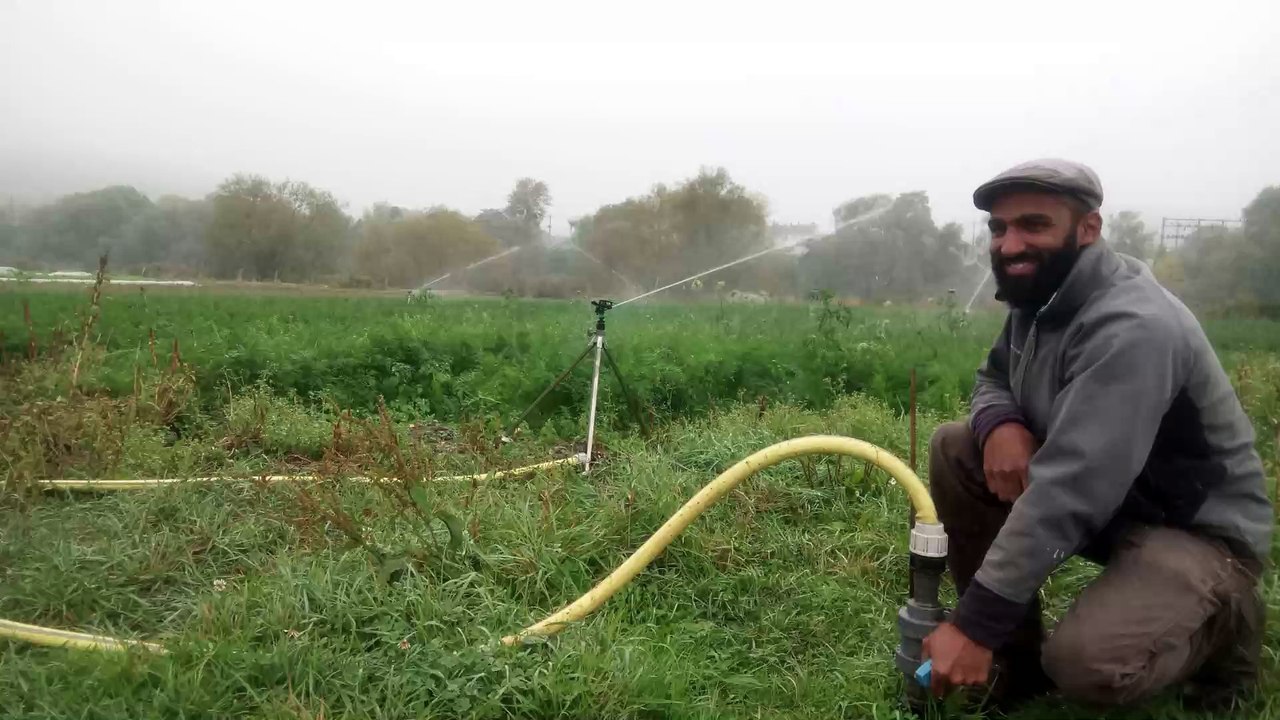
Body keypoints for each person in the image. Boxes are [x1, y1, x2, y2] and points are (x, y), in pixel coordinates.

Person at [921, 158, 1273, 711]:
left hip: (1194, 530)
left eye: (1034, 225)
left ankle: (1224, 626)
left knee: (1089, 668)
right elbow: (993, 376)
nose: (1010, 245)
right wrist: (1002, 423)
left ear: (1088, 229)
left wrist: (974, 625)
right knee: (956, 447)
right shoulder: (1043, 298)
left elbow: (1073, 488)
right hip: (1116, 506)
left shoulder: (1133, 325)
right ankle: (1016, 663)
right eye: (999, 228)